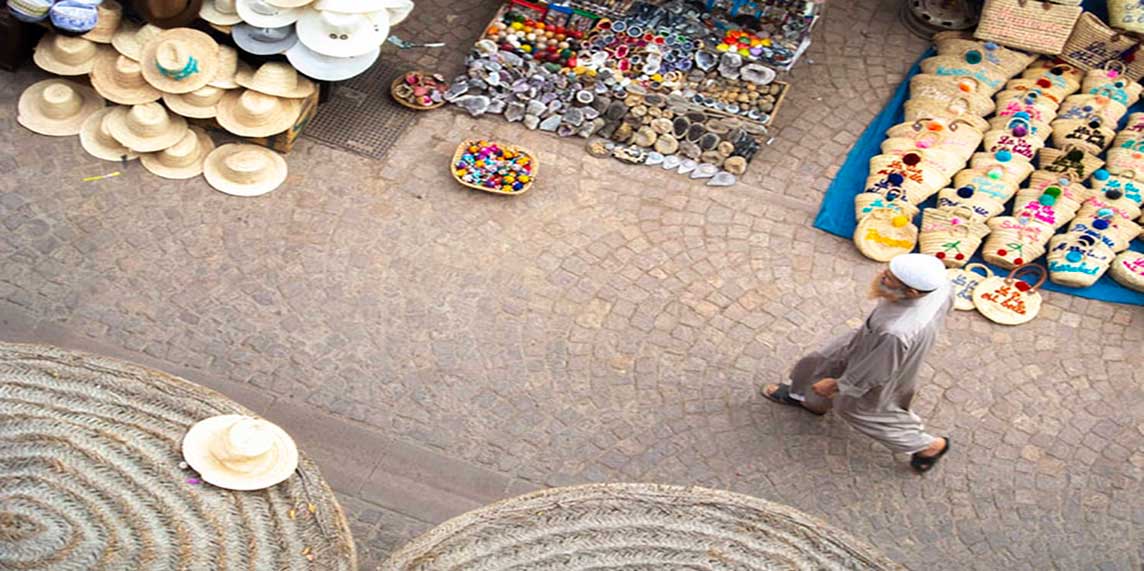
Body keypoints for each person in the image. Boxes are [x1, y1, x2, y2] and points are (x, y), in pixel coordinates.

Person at [762, 253, 953, 473]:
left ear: (912, 292)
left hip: (883, 354)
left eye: (889, 278)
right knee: (819, 361)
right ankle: (809, 400)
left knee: (860, 409)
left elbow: (876, 370)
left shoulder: (895, 332)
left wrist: (839, 385)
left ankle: (929, 446)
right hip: (872, 340)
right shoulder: (941, 284)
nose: (882, 276)